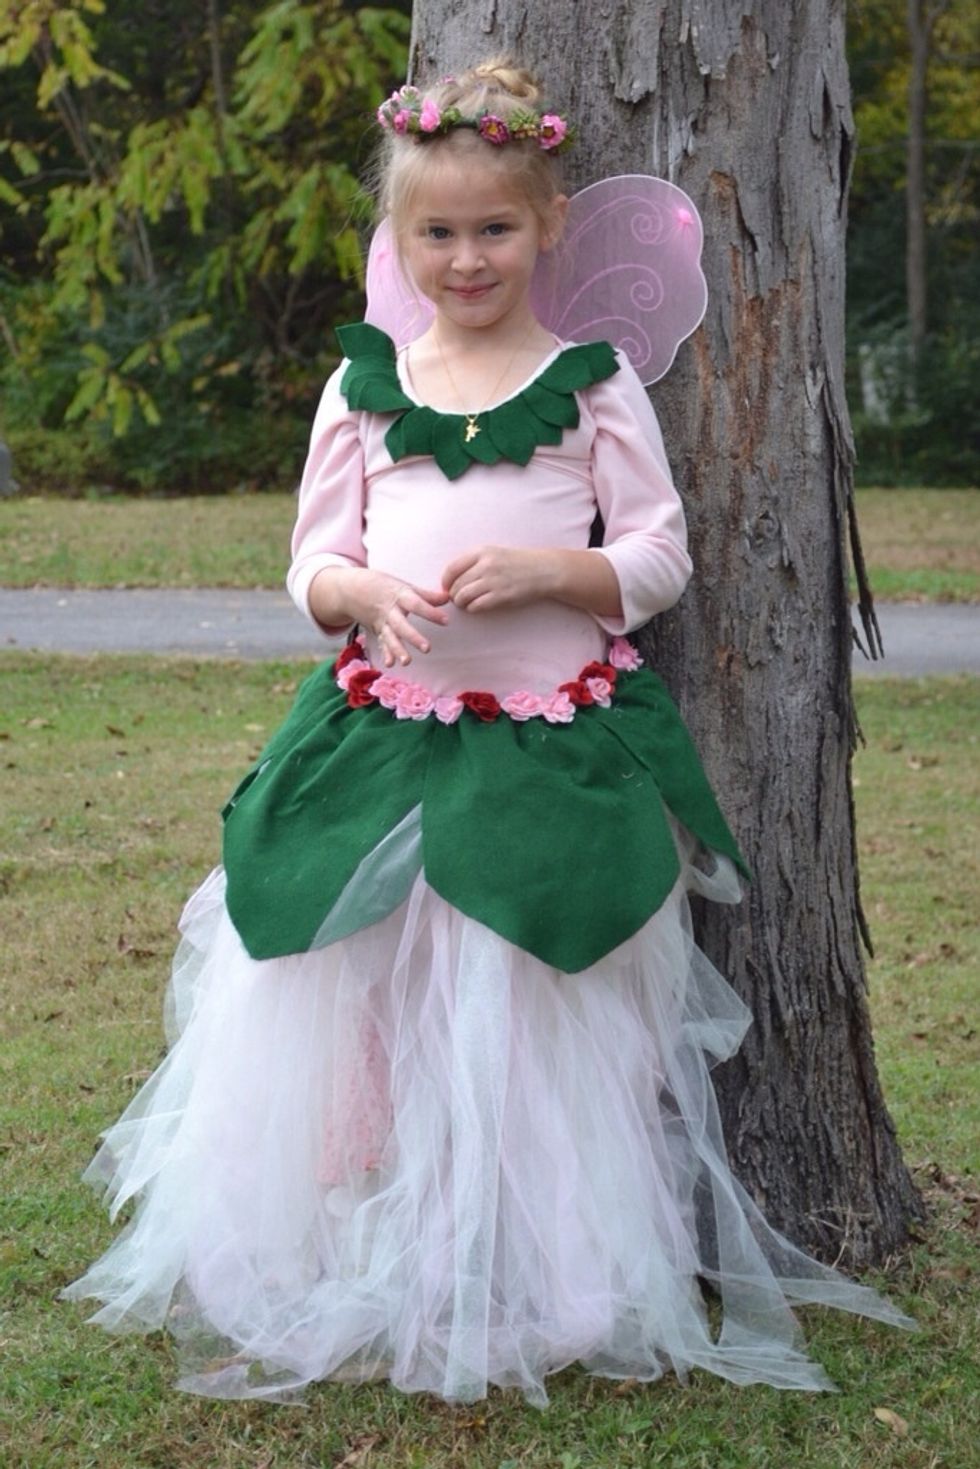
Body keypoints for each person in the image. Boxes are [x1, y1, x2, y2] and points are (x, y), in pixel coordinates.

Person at [62, 58, 911, 1406]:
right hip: (387, 737)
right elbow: (312, 567)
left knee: (530, 1021)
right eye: (437, 233)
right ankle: (364, 1244)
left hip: (546, 744)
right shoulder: (364, 389)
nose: (467, 257)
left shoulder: (589, 389)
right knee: (364, 1009)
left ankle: (552, 1269)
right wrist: (361, 595)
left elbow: (657, 553)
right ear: (400, 244)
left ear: (549, 228)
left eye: (494, 229)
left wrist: (552, 575)